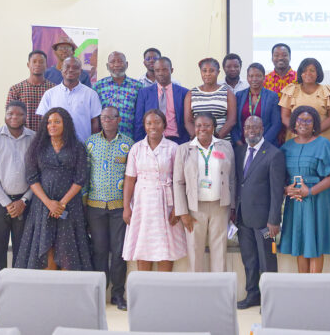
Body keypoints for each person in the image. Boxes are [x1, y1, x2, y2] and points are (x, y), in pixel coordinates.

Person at [16, 107, 92, 270]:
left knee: (67, 249)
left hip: (70, 205)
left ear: (66, 124)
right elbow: (32, 178)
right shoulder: (37, 147)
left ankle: (66, 292)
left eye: (57, 122)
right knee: (46, 247)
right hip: (43, 204)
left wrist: (62, 204)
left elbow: (80, 178)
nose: (52, 125)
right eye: (49, 122)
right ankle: (47, 290)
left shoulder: (77, 147)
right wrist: (49, 203)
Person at [0, 101, 35, 316]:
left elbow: (37, 174)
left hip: (25, 203)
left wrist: (24, 201)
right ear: (5, 115)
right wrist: (7, 203)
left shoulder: (33, 138)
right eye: (10, 113)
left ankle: (19, 297)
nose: (14, 116)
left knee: (23, 253)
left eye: (19, 113)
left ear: (25, 116)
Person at [280, 106, 330, 273]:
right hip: (295, 202)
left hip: (317, 200)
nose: (304, 124)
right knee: (300, 243)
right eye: (300, 120)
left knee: (315, 244)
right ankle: (303, 288)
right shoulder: (286, 147)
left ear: (315, 124)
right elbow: (279, 177)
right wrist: (287, 190)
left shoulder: (323, 144)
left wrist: (310, 191)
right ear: (294, 123)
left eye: (309, 120)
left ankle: (315, 287)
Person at [122, 109, 187, 272]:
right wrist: (126, 208)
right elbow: (130, 179)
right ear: (144, 126)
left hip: (166, 202)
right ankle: (144, 291)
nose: (153, 126)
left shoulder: (173, 148)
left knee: (166, 245)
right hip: (142, 202)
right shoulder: (136, 149)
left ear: (164, 125)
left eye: (157, 122)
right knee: (143, 243)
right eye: (149, 123)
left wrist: (178, 209)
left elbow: (179, 181)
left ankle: (163, 291)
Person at [234, 116, 287, 309]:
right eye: (247, 127)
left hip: (265, 221)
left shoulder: (274, 154)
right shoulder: (239, 152)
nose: (251, 131)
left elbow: (276, 191)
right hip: (243, 219)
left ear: (262, 128)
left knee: (267, 260)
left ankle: (270, 299)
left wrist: (274, 220)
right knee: (249, 260)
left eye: (255, 127)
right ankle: (252, 295)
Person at [173, 112, 236, 272]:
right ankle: (196, 292)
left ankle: (220, 293)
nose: (203, 129)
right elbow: (178, 183)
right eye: (199, 125)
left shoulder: (225, 146)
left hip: (220, 207)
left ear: (213, 127)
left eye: (207, 125)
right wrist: (183, 212)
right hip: (194, 209)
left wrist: (233, 207)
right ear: (194, 128)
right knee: (194, 251)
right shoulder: (184, 149)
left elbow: (232, 178)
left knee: (219, 250)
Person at [86, 106, 133, 309]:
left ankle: (117, 294)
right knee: (99, 250)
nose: (107, 121)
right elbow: (85, 174)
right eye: (103, 118)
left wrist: (128, 207)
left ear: (118, 119)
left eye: (111, 118)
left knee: (119, 250)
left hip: (118, 207)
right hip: (94, 205)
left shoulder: (128, 143)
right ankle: (99, 293)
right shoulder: (90, 143)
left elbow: (132, 177)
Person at [36, 56, 102, 143]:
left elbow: (95, 124)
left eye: (75, 67)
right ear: (61, 70)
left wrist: (93, 145)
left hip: (83, 147)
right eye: (67, 67)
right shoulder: (49, 94)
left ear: (81, 72)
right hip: (56, 148)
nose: (71, 70)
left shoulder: (91, 94)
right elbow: (44, 122)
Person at [279, 58, 330, 141]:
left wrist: (313, 131)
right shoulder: (291, 90)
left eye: (312, 70)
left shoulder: (327, 91)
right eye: (304, 71)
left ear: (318, 73)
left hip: (321, 138)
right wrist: (300, 131)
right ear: (300, 73)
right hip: (297, 137)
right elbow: (285, 117)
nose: (308, 73)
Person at [134, 57, 189, 143]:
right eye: (157, 70)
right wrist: (140, 143)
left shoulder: (183, 93)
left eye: (164, 70)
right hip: (152, 141)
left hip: (177, 140)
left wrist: (185, 141)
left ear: (172, 70)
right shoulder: (144, 93)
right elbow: (139, 121)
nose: (161, 73)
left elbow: (187, 120)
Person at [93, 51, 144, 139]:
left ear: (127, 64)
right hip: (104, 139)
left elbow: (140, 114)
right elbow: (95, 115)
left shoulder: (138, 86)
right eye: (112, 62)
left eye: (120, 61)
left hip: (129, 138)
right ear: (107, 66)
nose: (116, 65)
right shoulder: (98, 86)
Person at [185, 58, 237, 142]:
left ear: (218, 72)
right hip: (198, 142)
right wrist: (198, 139)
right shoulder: (191, 93)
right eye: (204, 71)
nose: (207, 74)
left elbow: (231, 121)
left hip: (221, 141)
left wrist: (216, 139)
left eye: (211, 71)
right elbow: (188, 121)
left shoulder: (227, 93)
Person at [231, 63, 281, 146]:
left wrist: (262, 144)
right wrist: (238, 142)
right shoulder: (239, 96)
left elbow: (276, 124)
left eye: (258, 76)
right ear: (247, 78)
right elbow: (234, 122)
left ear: (264, 77)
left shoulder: (272, 96)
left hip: (266, 145)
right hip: (242, 144)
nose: (254, 79)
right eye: (251, 76)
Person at [6, 50, 56, 131]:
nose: (37, 64)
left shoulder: (53, 89)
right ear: (28, 65)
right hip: (23, 136)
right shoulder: (16, 89)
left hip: (47, 136)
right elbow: (10, 116)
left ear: (46, 65)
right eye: (34, 62)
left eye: (41, 62)